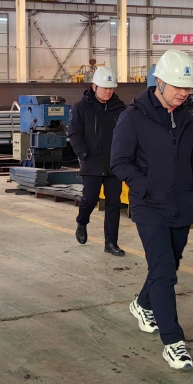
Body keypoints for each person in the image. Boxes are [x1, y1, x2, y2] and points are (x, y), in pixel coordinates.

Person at [111, 49, 193, 371]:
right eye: (178, 86)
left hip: (182, 204)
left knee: (169, 266)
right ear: (160, 82)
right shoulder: (133, 117)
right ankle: (173, 342)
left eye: (188, 88)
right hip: (149, 206)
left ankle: (142, 304)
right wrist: (147, 186)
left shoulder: (187, 118)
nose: (184, 93)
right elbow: (119, 162)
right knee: (165, 273)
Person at [68, 66, 126, 256]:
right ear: (94, 87)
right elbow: (74, 133)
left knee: (113, 203)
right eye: (105, 88)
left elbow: (127, 134)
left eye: (111, 88)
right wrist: (83, 154)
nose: (109, 91)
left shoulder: (120, 108)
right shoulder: (81, 107)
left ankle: (111, 243)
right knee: (90, 199)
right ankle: (82, 222)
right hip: (92, 162)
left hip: (113, 163)